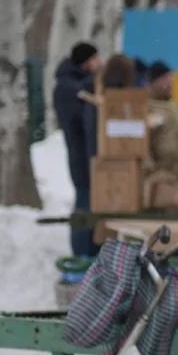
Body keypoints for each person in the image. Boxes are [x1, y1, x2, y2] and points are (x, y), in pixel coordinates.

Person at [53, 41, 101, 256]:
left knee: (89, 203)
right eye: (95, 59)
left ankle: (87, 249)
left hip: (85, 156)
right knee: (84, 203)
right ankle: (82, 252)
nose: (99, 63)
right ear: (85, 62)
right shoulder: (70, 88)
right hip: (81, 157)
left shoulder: (74, 85)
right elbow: (82, 120)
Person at [145, 61, 178, 184]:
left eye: (171, 77)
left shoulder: (177, 109)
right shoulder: (145, 108)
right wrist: (152, 172)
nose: (170, 82)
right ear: (154, 82)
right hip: (159, 182)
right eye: (165, 78)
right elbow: (142, 147)